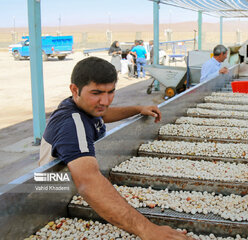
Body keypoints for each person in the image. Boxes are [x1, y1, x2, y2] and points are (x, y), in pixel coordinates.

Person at [38, 57, 192, 240]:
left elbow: (103, 114)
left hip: (73, 184)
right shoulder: (72, 124)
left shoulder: (84, 106)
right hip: (52, 196)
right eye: (96, 93)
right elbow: (88, 183)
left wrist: (137, 109)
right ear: (74, 89)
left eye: (110, 92)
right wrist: (148, 230)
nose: (105, 101)